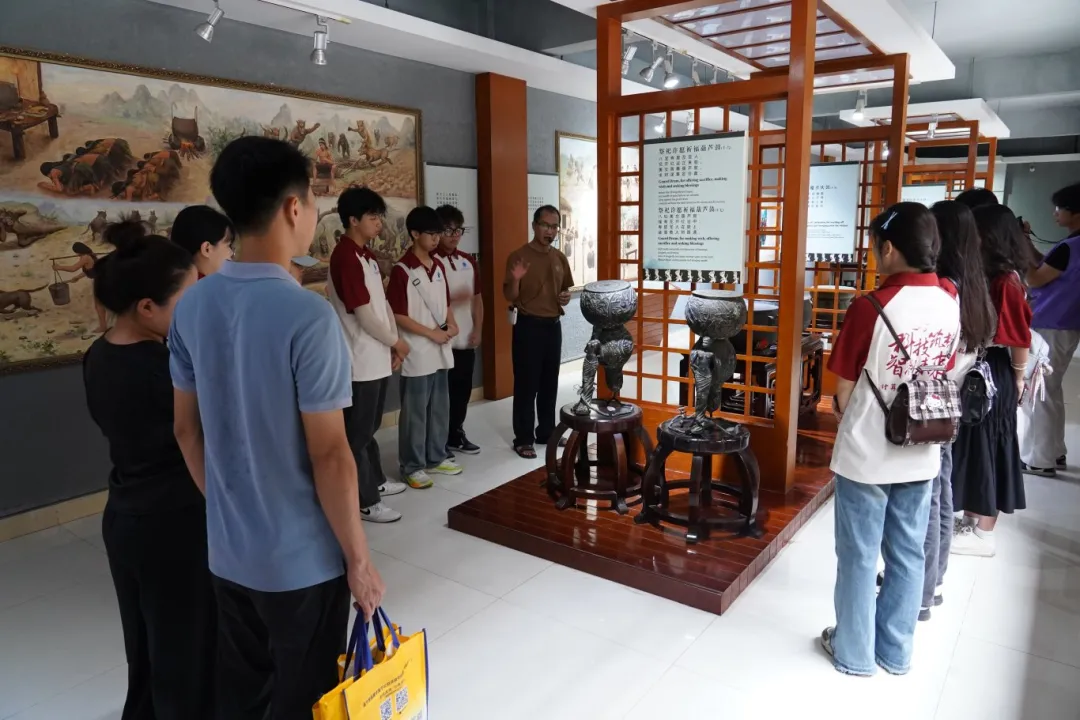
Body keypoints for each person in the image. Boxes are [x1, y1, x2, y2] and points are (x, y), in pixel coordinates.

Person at [169, 136, 384, 719]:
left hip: (227, 553)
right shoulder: (307, 316)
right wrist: (359, 561)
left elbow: (187, 431)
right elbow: (331, 455)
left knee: (244, 694)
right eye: (313, 200)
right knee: (305, 697)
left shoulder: (192, 307)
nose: (313, 212)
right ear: (294, 207)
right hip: (300, 562)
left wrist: (229, 508)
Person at [821, 202, 960, 676]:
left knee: (859, 556)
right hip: (923, 446)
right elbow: (942, 369)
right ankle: (895, 652)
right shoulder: (949, 300)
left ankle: (853, 652)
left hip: (867, 451)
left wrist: (847, 408)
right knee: (907, 553)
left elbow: (841, 388)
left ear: (890, 248)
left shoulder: (871, 306)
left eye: (875, 247)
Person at [81, 232, 214, 719]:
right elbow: (199, 434)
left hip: (126, 516)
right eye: (188, 298)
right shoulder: (167, 368)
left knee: (146, 647)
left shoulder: (98, 355)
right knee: (186, 652)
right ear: (146, 307)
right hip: (174, 520)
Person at [919, 201, 997, 620]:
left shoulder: (944, 288)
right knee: (942, 489)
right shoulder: (975, 283)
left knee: (929, 497)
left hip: (933, 399)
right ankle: (933, 578)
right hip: (953, 397)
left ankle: (921, 588)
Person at [950, 204, 1032, 557]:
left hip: (996, 369)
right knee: (977, 446)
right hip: (983, 368)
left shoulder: (1006, 281)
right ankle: (971, 519)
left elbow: (1019, 338)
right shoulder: (989, 274)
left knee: (992, 446)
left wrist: (1018, 378)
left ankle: (985, 531)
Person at [327, 187, 409, 522]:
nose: (379, 223)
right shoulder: (345, 257)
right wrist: (396, 342)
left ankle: (375, 480)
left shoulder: (367, 256)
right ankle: (364, 500)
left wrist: (393, 341)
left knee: (370, 425)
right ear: (353, 220)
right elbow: (362, 314)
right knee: (357, 433)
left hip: (377, 353)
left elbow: (383, 305)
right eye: (373, 217)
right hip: (359, 358)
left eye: (379, 216)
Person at [388, 206, 462, 488]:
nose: (436, 239)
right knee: (415, 412)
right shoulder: (402, 270)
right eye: (431, 233)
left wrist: (452, 324)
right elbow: (397, 314)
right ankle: (412, 465)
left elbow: (445, 304)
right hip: (417, 352)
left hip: (441, 349)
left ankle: (436, 456)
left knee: (440, 407)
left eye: (438, 233)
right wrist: (432, 334)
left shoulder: (438, 266)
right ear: (415, 234)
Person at [1020, 182, 1080, 476]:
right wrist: (1026, 242)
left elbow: (1034, 278)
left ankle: (1039, 459)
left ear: (1076, 212)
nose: (1055, 213)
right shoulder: (1071, 245)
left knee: (1037, 392)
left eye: (1060, 207)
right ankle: (1055, 452)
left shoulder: (1070, 247)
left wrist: (1018, 248)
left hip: (1049, 324)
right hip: (1067, 323)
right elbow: (1046, 265)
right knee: (1051, 389)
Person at [504, 205, 574, 459]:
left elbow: (564, 290)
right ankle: (523, 439)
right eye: (545, 225)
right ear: (534, 225)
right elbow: (509, 295)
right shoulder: (519, 256)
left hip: (553, 326)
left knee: (549, 382)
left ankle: (546, 431)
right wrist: (516, 279)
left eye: (555, 227)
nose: (550, 231)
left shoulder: (559, 257)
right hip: (528, 326)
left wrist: (565, 297)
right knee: (526, 384)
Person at [435, 204, 483, 455]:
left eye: (458, 230)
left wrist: (478, 329)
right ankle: (437, 440)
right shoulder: (430, 261)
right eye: (448, 230)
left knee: (462, 391)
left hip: (465, 339)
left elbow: (477, 299)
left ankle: (456, 433)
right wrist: (454, 298)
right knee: (440, 394)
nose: (454, 236)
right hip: (440, 340)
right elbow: (431, 302)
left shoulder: (468, 261)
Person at [169, 204, 234, 278]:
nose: (231, 253)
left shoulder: (172, 279)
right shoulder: (208, 284)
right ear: (207, 249)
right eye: (228, 245)